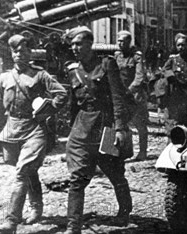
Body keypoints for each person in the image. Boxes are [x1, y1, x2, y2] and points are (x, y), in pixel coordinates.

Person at [0, 34, 68, 234]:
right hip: (11, 130)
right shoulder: (4, 78)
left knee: (22, 172)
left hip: (35, 129)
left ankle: (11, 221)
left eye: (24, 51)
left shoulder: (40, 75)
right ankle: (36, 207)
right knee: (27, 170)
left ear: (30, 53)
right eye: (16, 51)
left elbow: (61, 94)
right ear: (11, 53)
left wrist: (47, 110)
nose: (20, 54)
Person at [64, 26, 133, 233]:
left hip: (106, 127)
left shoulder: (106, 64)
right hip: (82, 128)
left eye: (79, 43)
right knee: (77, 178)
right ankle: (73, 226)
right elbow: (73, 104)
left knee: (115, 173)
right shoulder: (72, 69)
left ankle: (124, 211)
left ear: (89, 43)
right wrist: (70, 129)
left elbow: (118, 98)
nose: (75, 48)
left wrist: (120, 128)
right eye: (72, 44)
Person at [114, 30, 149, 161]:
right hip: (121, 96)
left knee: (140, 124)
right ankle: (124, 152)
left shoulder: (137, 57)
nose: (120, 43)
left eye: (123, 41)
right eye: (118, 41)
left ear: (129, 42)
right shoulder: (117, 56)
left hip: (135, 96)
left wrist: (129, 91)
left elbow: (140, 77)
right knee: (121, 124)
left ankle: (143, 152)